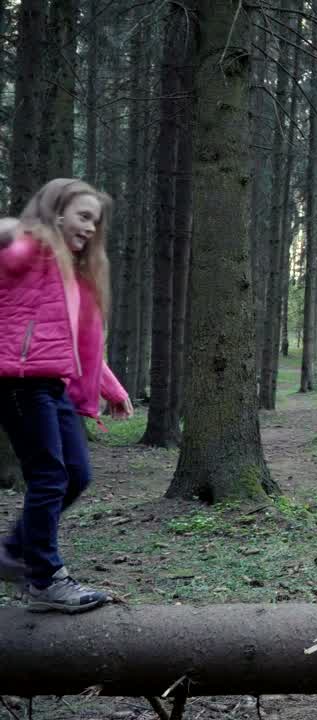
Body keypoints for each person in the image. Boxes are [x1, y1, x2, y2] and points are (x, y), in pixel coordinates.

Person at [0, 178, 132, 613]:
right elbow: (8, 244)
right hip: (19, 382)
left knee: (76, 473)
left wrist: (110, 388)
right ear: (56, 214)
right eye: (83, 216)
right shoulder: (32, 252)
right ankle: (46, 579)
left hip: (51, 383)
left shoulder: (74, 276)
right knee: (50, 475)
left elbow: (79, 346)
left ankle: (15, 550)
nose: (91, 228)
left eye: (96, 221)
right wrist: (15, 230)